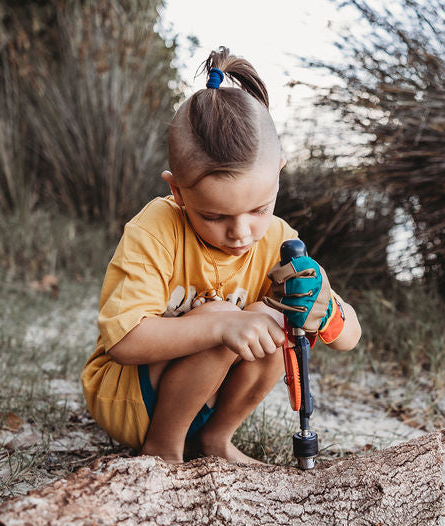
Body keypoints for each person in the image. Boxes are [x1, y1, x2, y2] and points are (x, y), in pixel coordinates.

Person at [81, 47, 361, 465]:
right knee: (223, 317)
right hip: (131, 400)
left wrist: (326, 309)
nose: (241, 232)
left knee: (274, 319)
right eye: (214, 216)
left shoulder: (280, 242)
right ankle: (163, 450)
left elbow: (350, 337)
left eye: (259, 210)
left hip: (208, 402)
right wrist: (221, 326)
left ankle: (216, 440)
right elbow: (123, 341)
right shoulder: (157, 227)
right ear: (177, 191)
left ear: (278, 174)